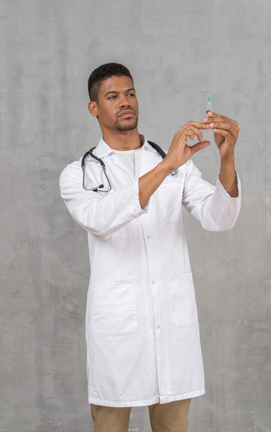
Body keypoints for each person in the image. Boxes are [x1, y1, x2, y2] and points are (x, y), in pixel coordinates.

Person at [59, 62, 241, 432]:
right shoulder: (79, 173)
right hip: (118, 333)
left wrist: (226, 158)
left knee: (174, 427)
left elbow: (219, 218)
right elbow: (101, 219)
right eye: (112, 96)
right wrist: (168, 164)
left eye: (130, 93)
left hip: (172, 328)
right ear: (94, 108)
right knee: (110, 426)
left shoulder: (177, 166)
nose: (125, 102)